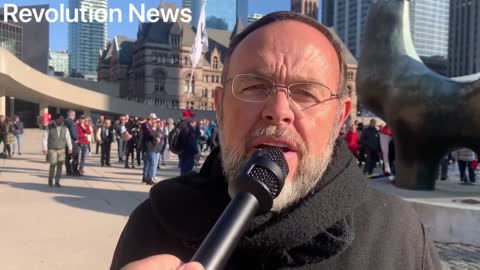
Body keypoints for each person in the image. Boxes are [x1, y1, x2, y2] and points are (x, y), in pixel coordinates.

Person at [110, 12, 441, 270]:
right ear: (219, 105)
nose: (278, 111)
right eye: (253, 87)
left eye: (306, 92)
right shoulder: (154, 223)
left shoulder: (399, 234)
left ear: (341, 116)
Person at [42, 114, 73, 187]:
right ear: (56, 119)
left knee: (60, 165)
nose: (62, 120)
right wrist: (45, 148)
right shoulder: (49, 127)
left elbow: (68, 137)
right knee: (53, 164)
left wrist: (70, 147)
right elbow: (45, 138)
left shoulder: (65, 128)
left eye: (63, 119)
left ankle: (57, 181)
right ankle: (50, 180)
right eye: (61, 119)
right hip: (52, 148)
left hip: (61, 149)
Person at [176, 109, 199, 175]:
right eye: (191, 116)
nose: (192, 118)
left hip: (184, 153)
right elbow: (190, 142)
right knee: (186, 173)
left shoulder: (182, 125)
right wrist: (195, 151)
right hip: (188, 154)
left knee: (184, 172)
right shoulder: (186, 127)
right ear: (187, 117)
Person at [64, 110, 79, 176]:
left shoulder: (64, 122)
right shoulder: (71, 122)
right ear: (72, 115)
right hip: (72, 141)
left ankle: (68, 171)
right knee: (75, 156)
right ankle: (75, 170)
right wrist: (76, 138)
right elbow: (73, 133)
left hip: (65, 141)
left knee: (68, 157)